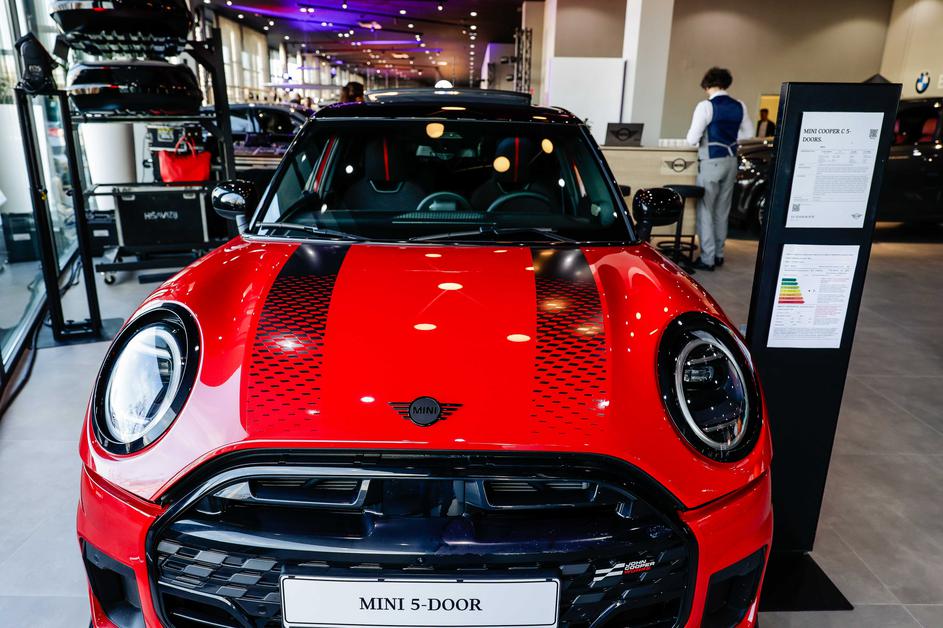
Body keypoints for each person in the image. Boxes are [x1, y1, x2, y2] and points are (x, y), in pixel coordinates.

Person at [685, 67, 752, 271]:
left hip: (711, 161)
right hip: (731, 161)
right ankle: (719, 254)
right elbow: (748, 134)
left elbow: (692, 139)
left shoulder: (706, 106)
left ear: (707, 85)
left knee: (706, 210)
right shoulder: (739, 105)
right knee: (723, 210)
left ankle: (708, 258)